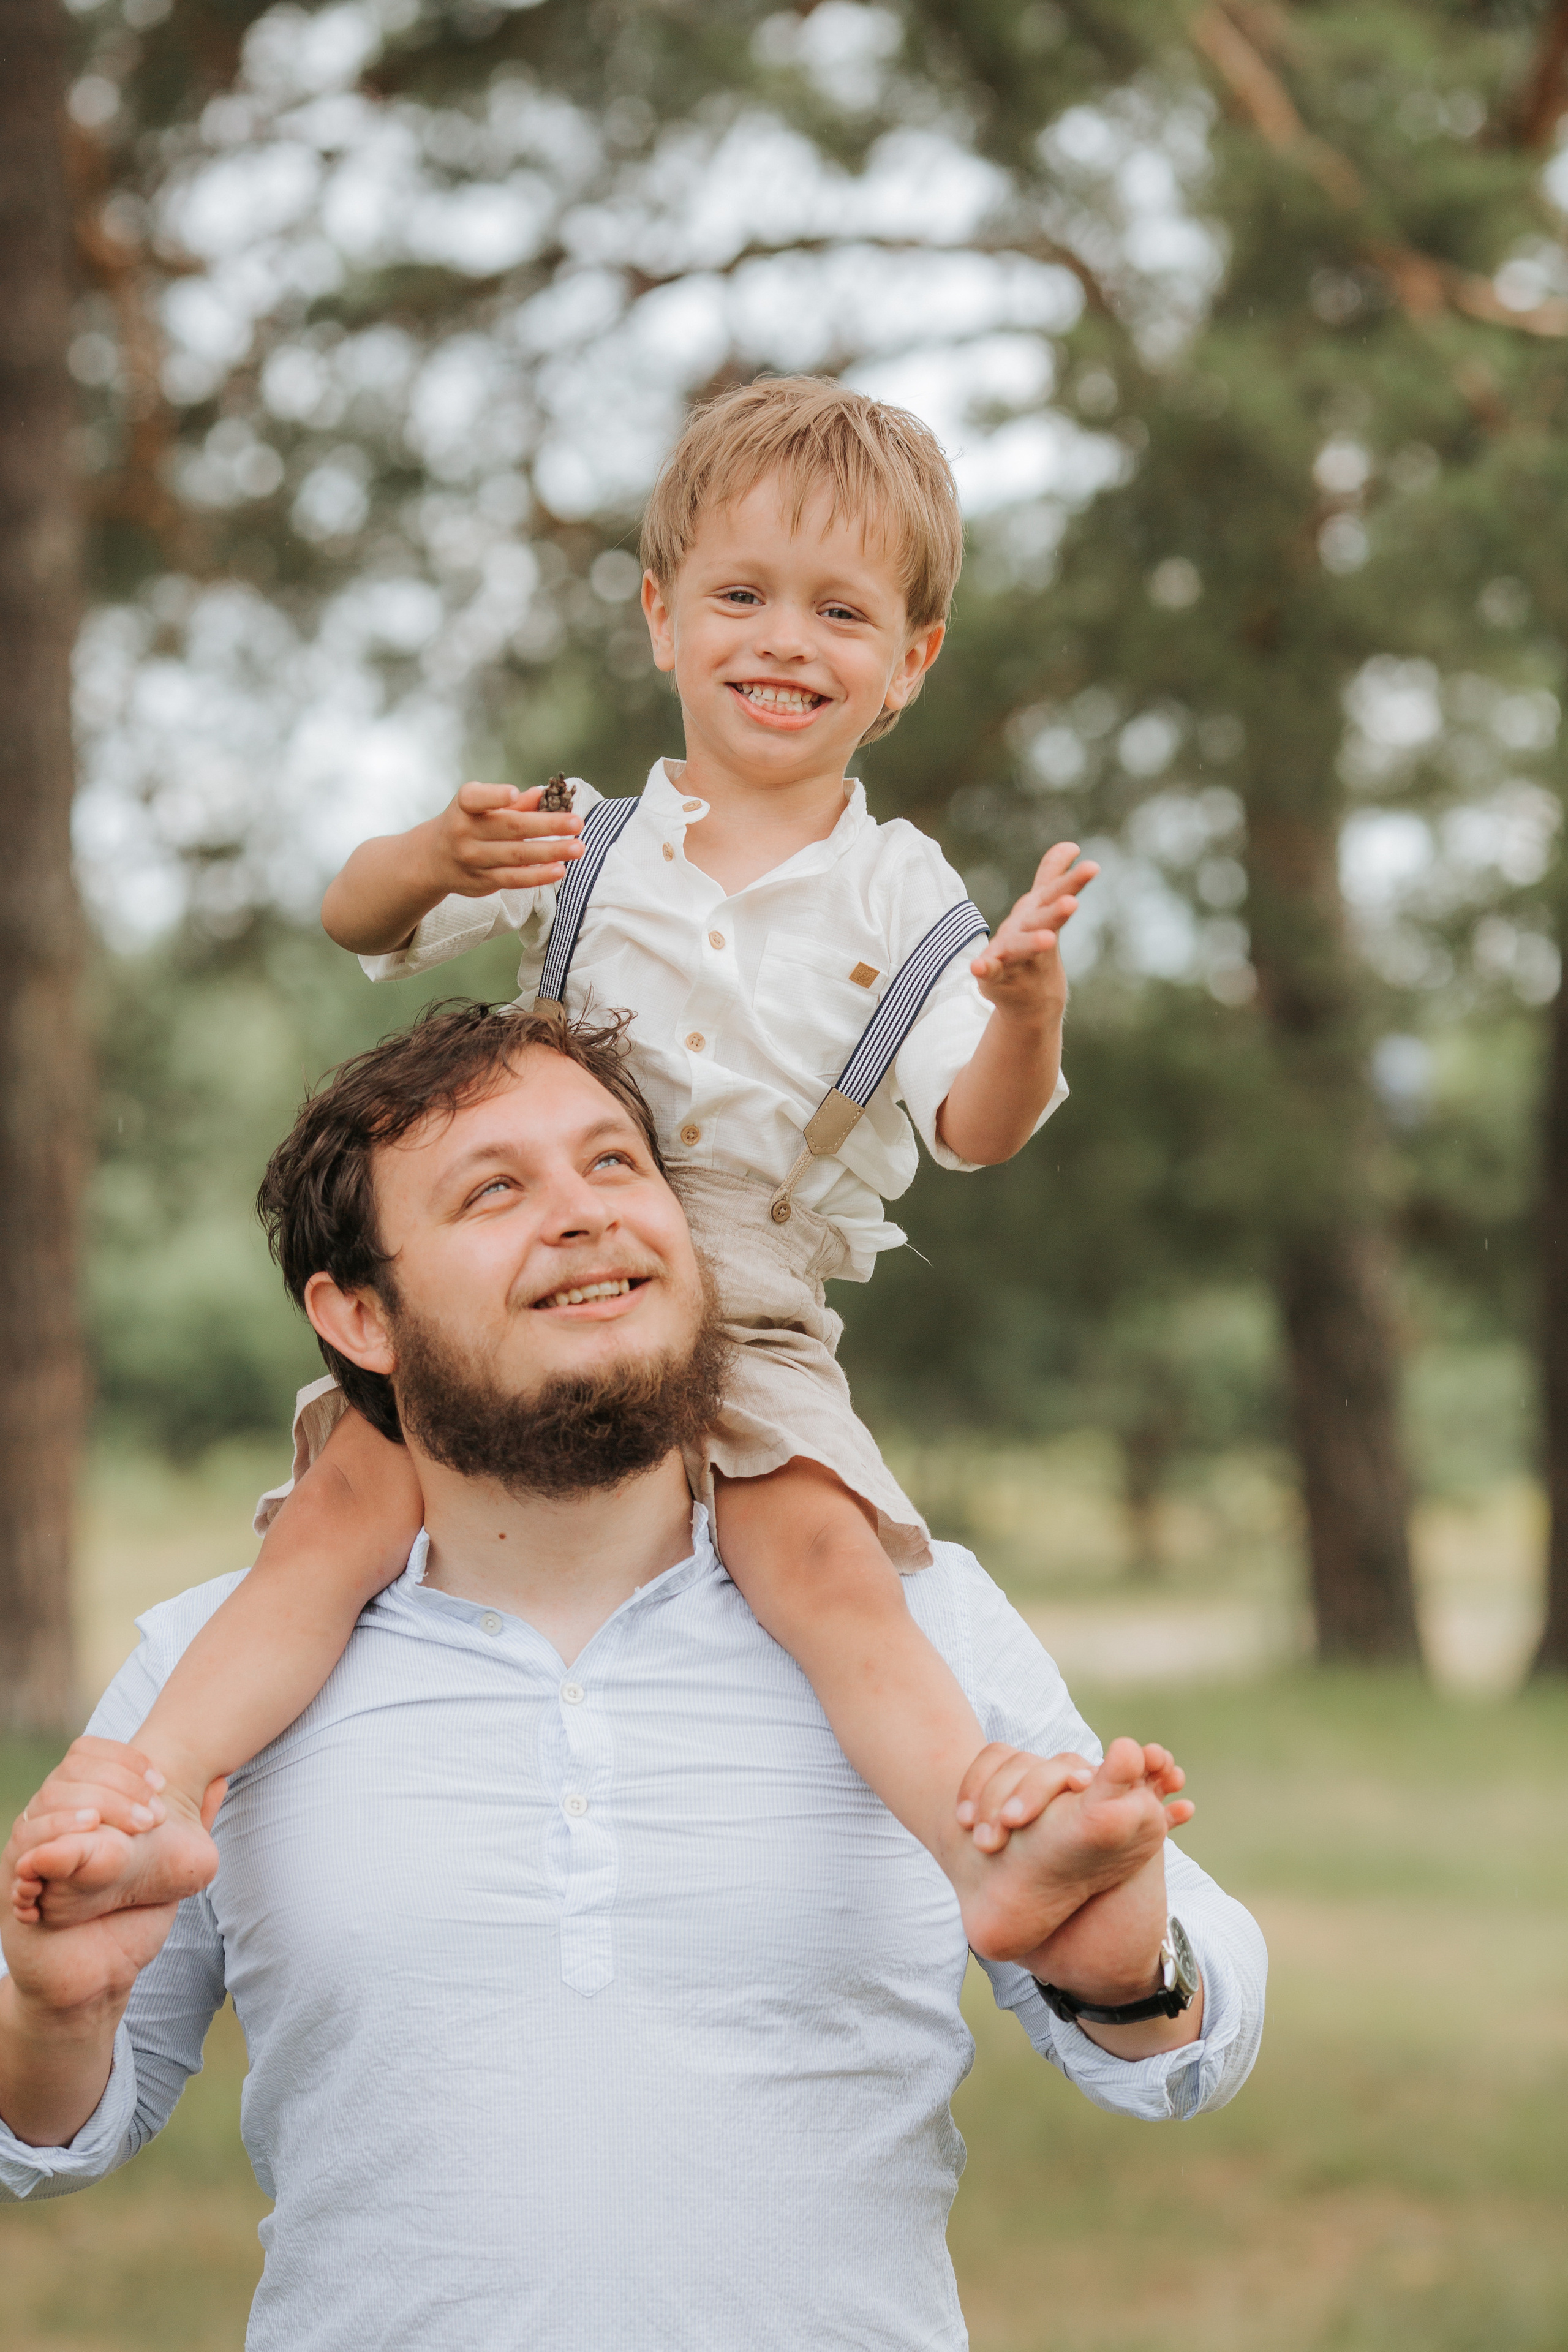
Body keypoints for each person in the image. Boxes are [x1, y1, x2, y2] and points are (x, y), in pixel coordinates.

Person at [18, 375, 1101, 1957]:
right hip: (530, 1255)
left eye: (841, 611)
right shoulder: (581, 841)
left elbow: (981, 1130)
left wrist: (1025, 1014)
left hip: (753, 1288)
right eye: (741, 595)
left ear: (908, 665)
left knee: (816, 1551)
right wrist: (431, 860)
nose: (785, 640)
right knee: (342, 1509)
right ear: (662, 617)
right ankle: (159, 1791)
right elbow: (356, 920)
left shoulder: (912, 905)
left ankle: (975, 1830)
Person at [1, 1008, 1266, 2350]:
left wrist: (1131, 1979)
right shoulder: (211, 1670)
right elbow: (43, 2138)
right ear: (358, 1315)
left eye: (614, 1165)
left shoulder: (921, 1620)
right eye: (495, 1189)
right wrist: (50, 2009)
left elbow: (1193, 2036)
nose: (584, 1215)